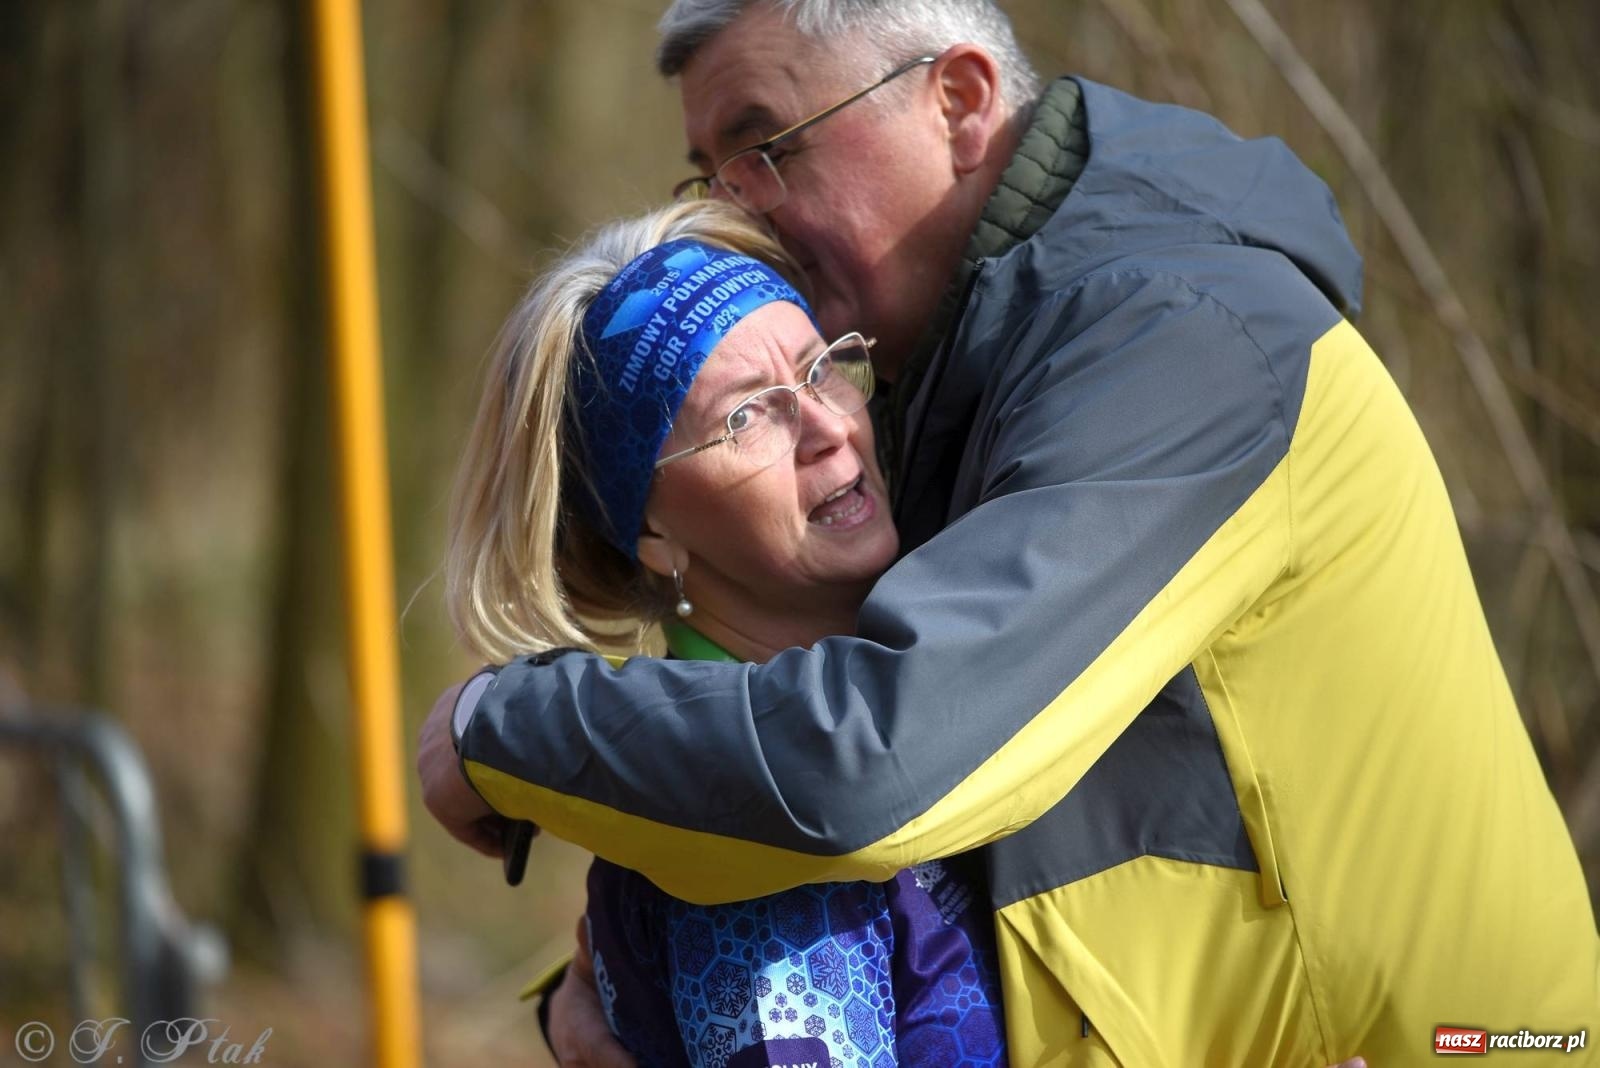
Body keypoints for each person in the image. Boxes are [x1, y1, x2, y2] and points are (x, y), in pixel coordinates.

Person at [419, 1, 1600, 1064]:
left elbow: (875, 770)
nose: (741, 207)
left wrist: (500, 727)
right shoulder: (952, 381)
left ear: (961, 100)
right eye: (712, 172)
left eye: (767, 145)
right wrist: (612, 1006)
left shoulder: (1173, 342)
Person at [443, 199, 1006, 1068]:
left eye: (822, 370)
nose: (826, 428)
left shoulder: (878, 715)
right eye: (748, 416)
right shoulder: (760, 873)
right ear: (653, 536)